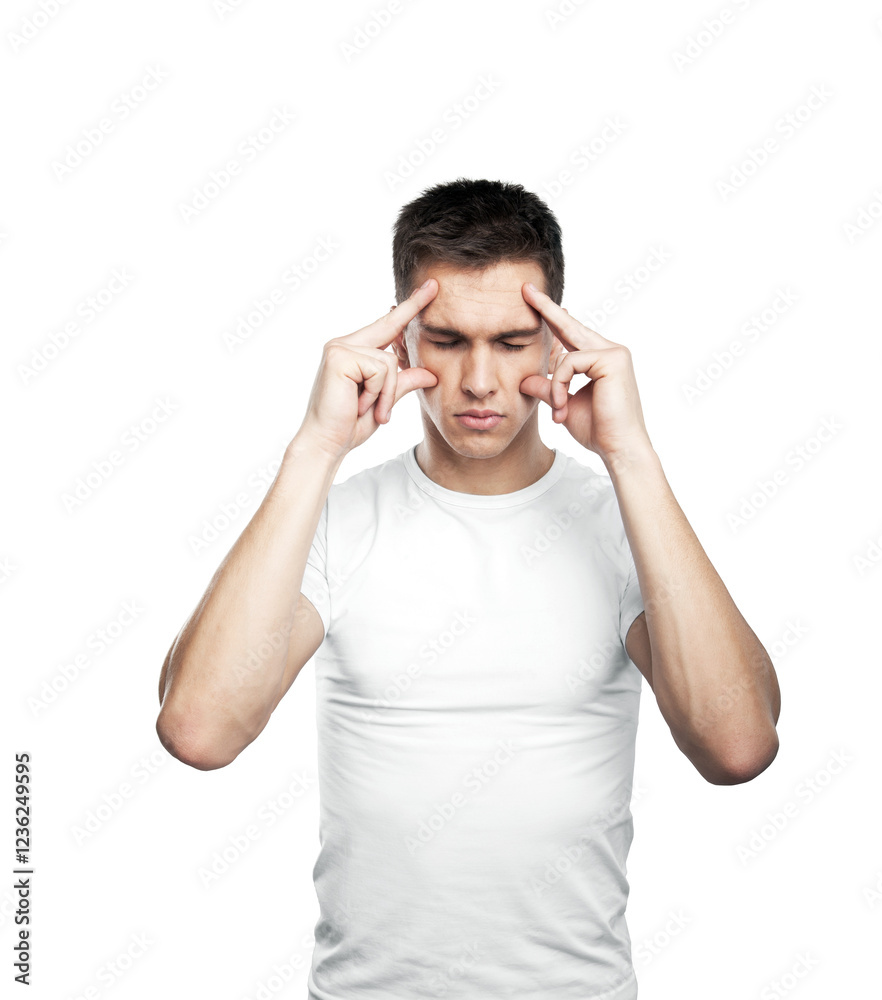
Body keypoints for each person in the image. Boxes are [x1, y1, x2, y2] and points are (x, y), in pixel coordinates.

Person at [156, 178, 781, 1000]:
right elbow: (199, 732)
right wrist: (315, 448)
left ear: (555, 343)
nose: (479, 380)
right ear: (400, 341)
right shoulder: (333, 521)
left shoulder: (624, 524)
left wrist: (630, 456)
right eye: (447, 340)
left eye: (513, 341)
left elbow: (736, 748)